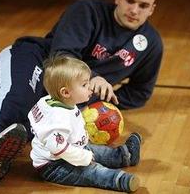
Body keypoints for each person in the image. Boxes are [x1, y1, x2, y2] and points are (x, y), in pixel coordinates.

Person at [0, 0, 162, 190]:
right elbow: (61, 55)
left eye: (143, 6)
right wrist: (93, 77)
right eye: (130, 0)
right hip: (31, 62)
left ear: (152, 9)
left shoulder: (151, 43)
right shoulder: (87, 10)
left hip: (58, 98)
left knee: (32, 127)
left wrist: (99, 102)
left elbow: (140, 92)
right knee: (16, 99)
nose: (134, 10)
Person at [29, 56, 142, 193]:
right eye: (84, 85)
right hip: (54, 165)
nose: (90, 88)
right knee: (91, 171)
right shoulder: (58, 118)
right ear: (65, 92)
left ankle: (126, 155)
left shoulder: (51, 100)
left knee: (101, 152)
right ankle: (118, 180)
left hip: (73, 147)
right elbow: (57, 148)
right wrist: (84, 157)